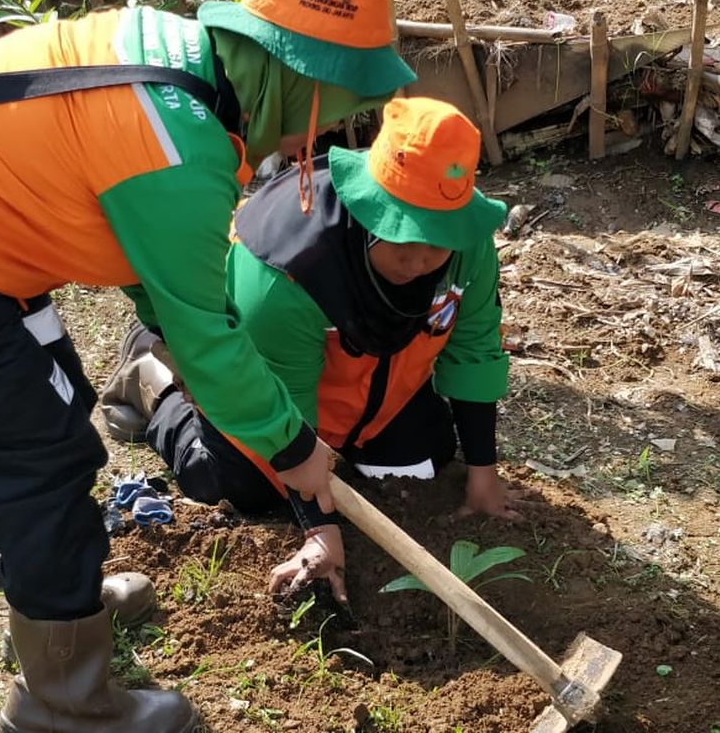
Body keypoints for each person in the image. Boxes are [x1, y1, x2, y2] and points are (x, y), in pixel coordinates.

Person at [0, 0, 414, 733]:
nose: (337, 118)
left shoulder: (179, 59)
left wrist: (176, 328)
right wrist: (295, 449)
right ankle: (63, 703)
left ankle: (61, 613)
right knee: (34, 459)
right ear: (299, 71)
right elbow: (205, 332)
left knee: (63, 407)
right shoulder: (179, 144)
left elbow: (147, 250)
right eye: (343, 92)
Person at [102, 97, 531, 605]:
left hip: (373, 385)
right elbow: (286, 399)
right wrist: (319, 532)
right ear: (371, 211)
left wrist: (483, 473)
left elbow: (474, 346)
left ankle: (349, 448)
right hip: (270, 390)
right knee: (241, 487)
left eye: (436, 244)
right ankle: (159, 382)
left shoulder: (468, 245)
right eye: (403, 237)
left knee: (430, 457)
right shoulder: (289, 271)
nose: (418, 260)